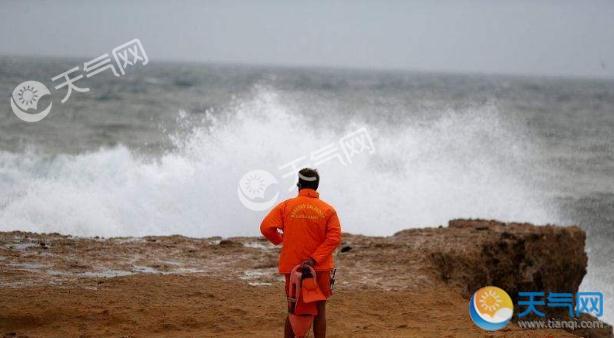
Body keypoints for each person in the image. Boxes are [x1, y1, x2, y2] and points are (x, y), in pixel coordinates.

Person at [260, 168, 342, 338]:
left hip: (293, 267)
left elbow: (266, 227)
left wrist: (281, 239)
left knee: (293, 307)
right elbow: (333, 238)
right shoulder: (328, 210)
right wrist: (314, 259)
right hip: (320, 268)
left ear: (298, 185)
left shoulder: (286, 206)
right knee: (320, 309)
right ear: (317, 186)